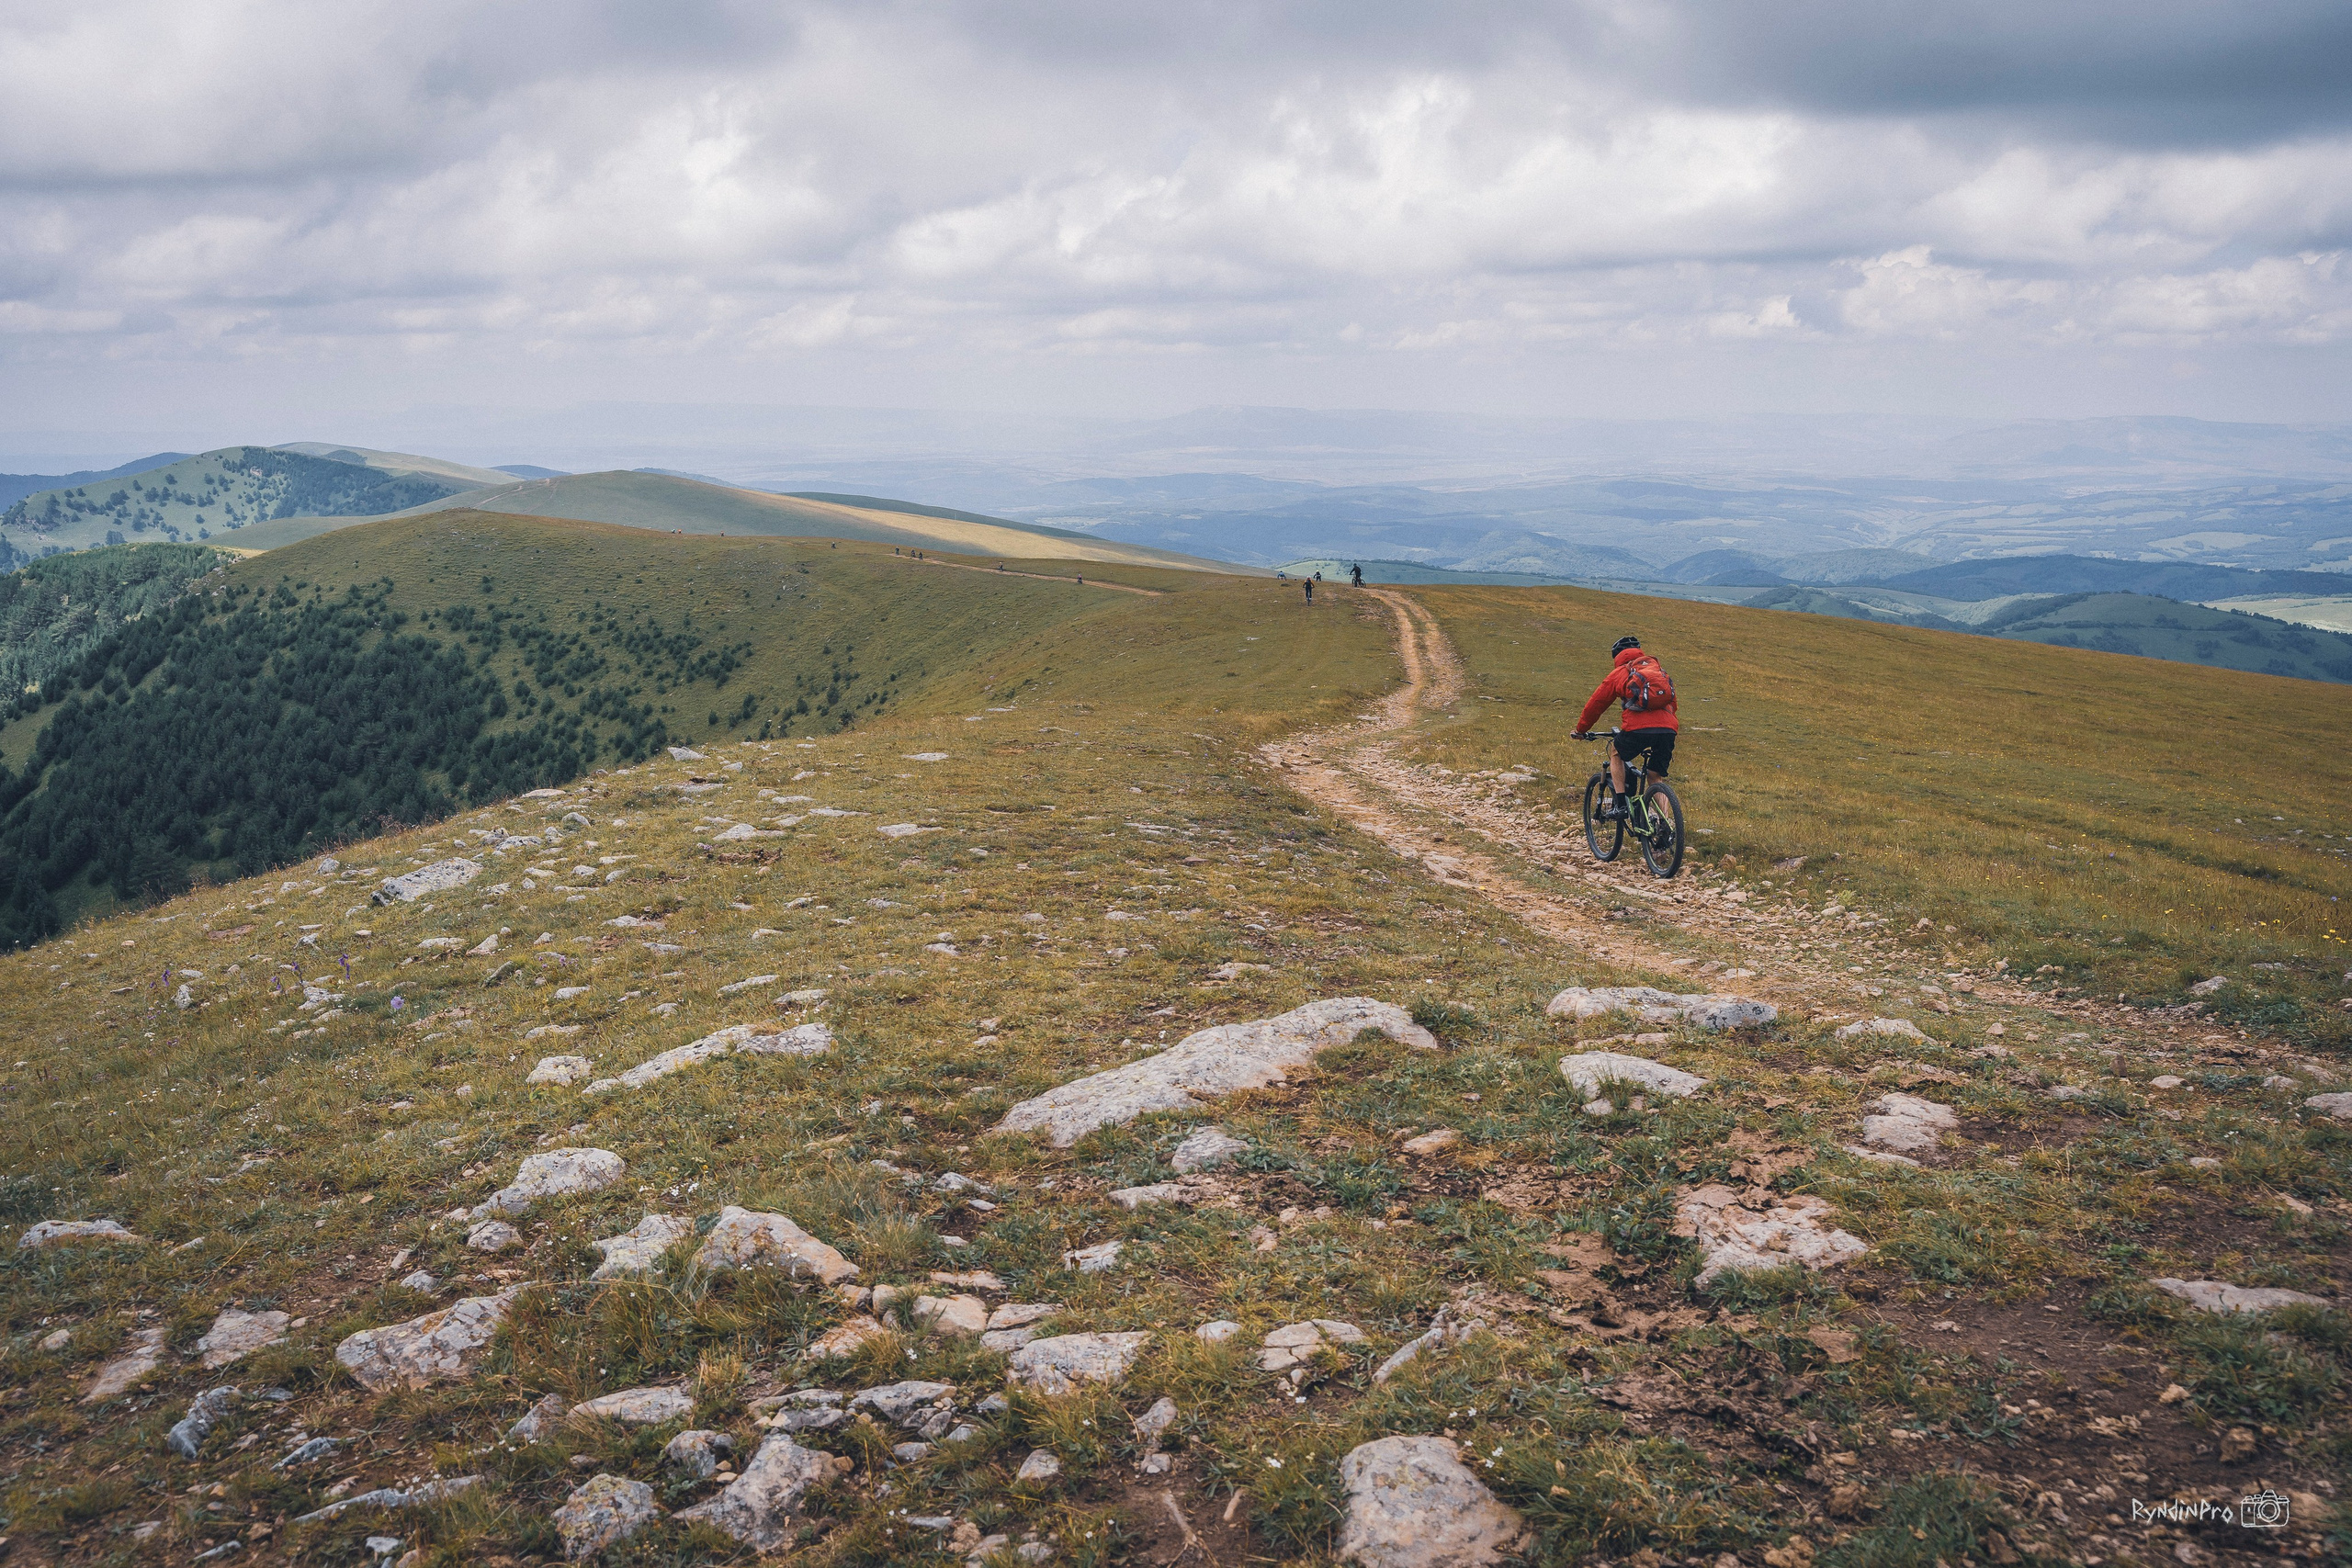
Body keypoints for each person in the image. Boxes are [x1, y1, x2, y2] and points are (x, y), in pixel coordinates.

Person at [1573, 635, 1677, 819]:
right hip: (1668, 729)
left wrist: (1581, 730)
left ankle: (1620, 805)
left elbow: (1596, 704)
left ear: (1617, 656)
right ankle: (1665, 824)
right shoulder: (1658, 670)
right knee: (1655, 776)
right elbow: (1672, 701)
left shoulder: (1620, 672)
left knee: (1616, 753)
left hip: (1638, 729)